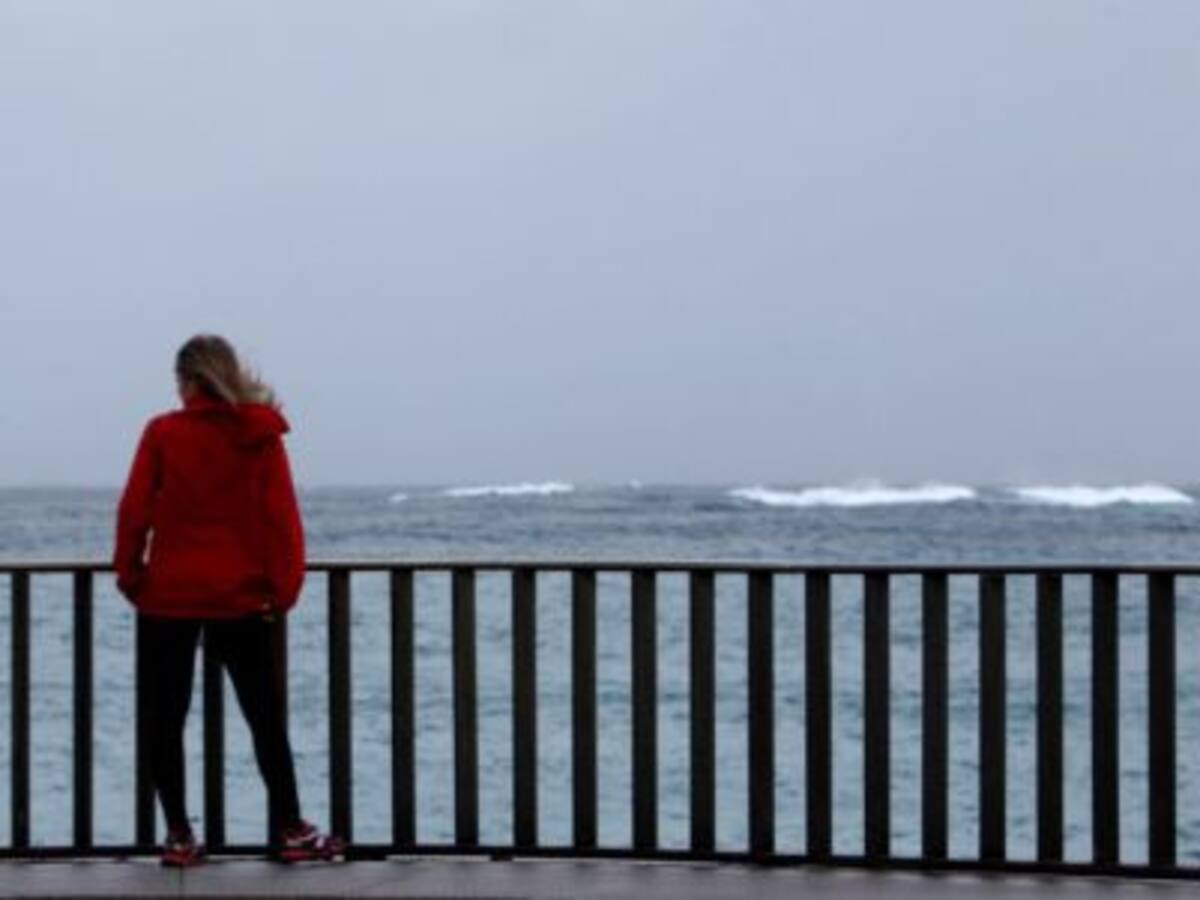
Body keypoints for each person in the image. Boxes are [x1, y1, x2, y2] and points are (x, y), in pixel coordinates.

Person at [113, 334, 340, 867]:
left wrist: (132, 578)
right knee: (264, 719)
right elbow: (282, 520)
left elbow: (133, 512)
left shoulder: (163, 434)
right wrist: (282, 592)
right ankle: (291, 830)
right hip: (242, 598)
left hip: (168, 597)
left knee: (165, 719)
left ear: (186, 380)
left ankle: (179, 837)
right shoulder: (258, 434)